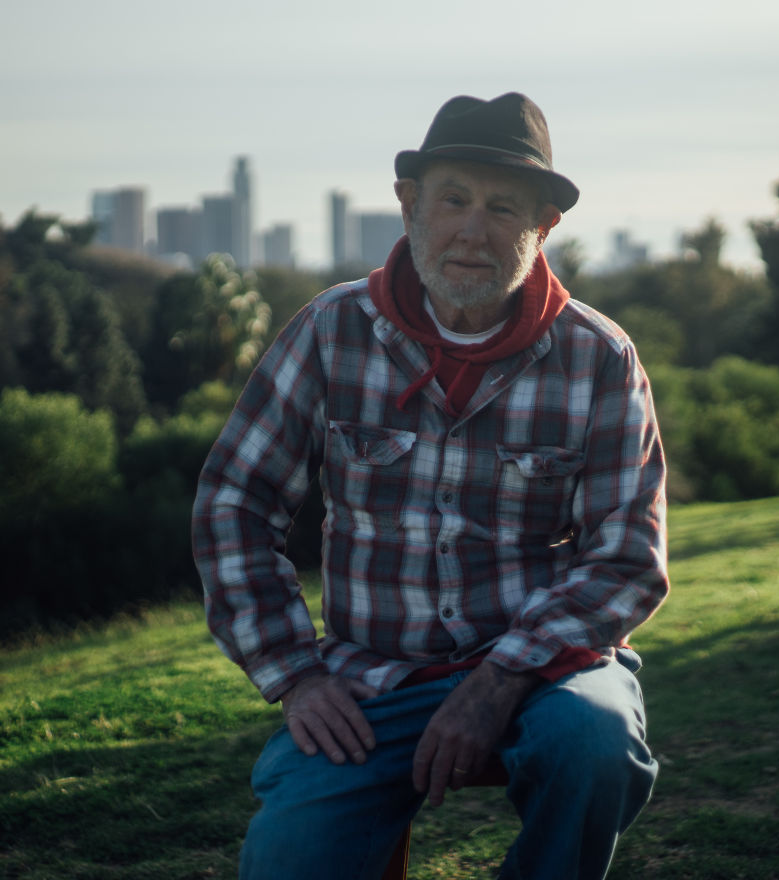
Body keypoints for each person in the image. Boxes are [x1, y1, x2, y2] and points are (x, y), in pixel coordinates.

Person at [193, 92, 669, 880]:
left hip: (543, 673)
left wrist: (502, 676)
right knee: (290, 863)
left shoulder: (600, 358)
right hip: (369, 676)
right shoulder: (328, 329)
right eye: (453, 199)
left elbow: (627, 557)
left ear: (545, 225)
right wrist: (297, 676)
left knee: (597, 743)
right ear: (409, 202)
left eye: (504, 207)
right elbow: (234, 503)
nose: (473, 231)